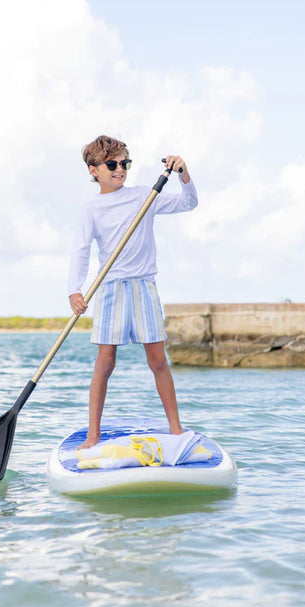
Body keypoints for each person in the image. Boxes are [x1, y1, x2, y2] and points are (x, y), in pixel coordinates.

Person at [68, 134, 198, 448]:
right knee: (105, 362)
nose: (120, 170)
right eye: (111, 165)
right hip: (110, 288)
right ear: (93, 170)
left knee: (157, 360)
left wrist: (183, 173)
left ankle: (176, 428)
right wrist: (75, 290)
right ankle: (93, 434)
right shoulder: (92, 209)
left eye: (124, 163)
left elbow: (188, 202)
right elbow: (81, 251)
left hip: (143, 286)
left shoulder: (144, 196)